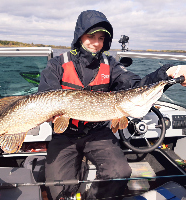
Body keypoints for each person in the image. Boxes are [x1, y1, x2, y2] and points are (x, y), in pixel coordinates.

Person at [38, 10, 186, 199]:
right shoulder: (57, 65)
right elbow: (44, 95)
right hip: (65, 134)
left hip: (98, 131)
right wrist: (48, 114)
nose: (96, 43)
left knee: (119, 173)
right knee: (58, 189)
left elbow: (138, 86)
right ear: (79, 36)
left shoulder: (111, 65)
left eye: (101, 38)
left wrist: (170, 71)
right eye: (91, 36)